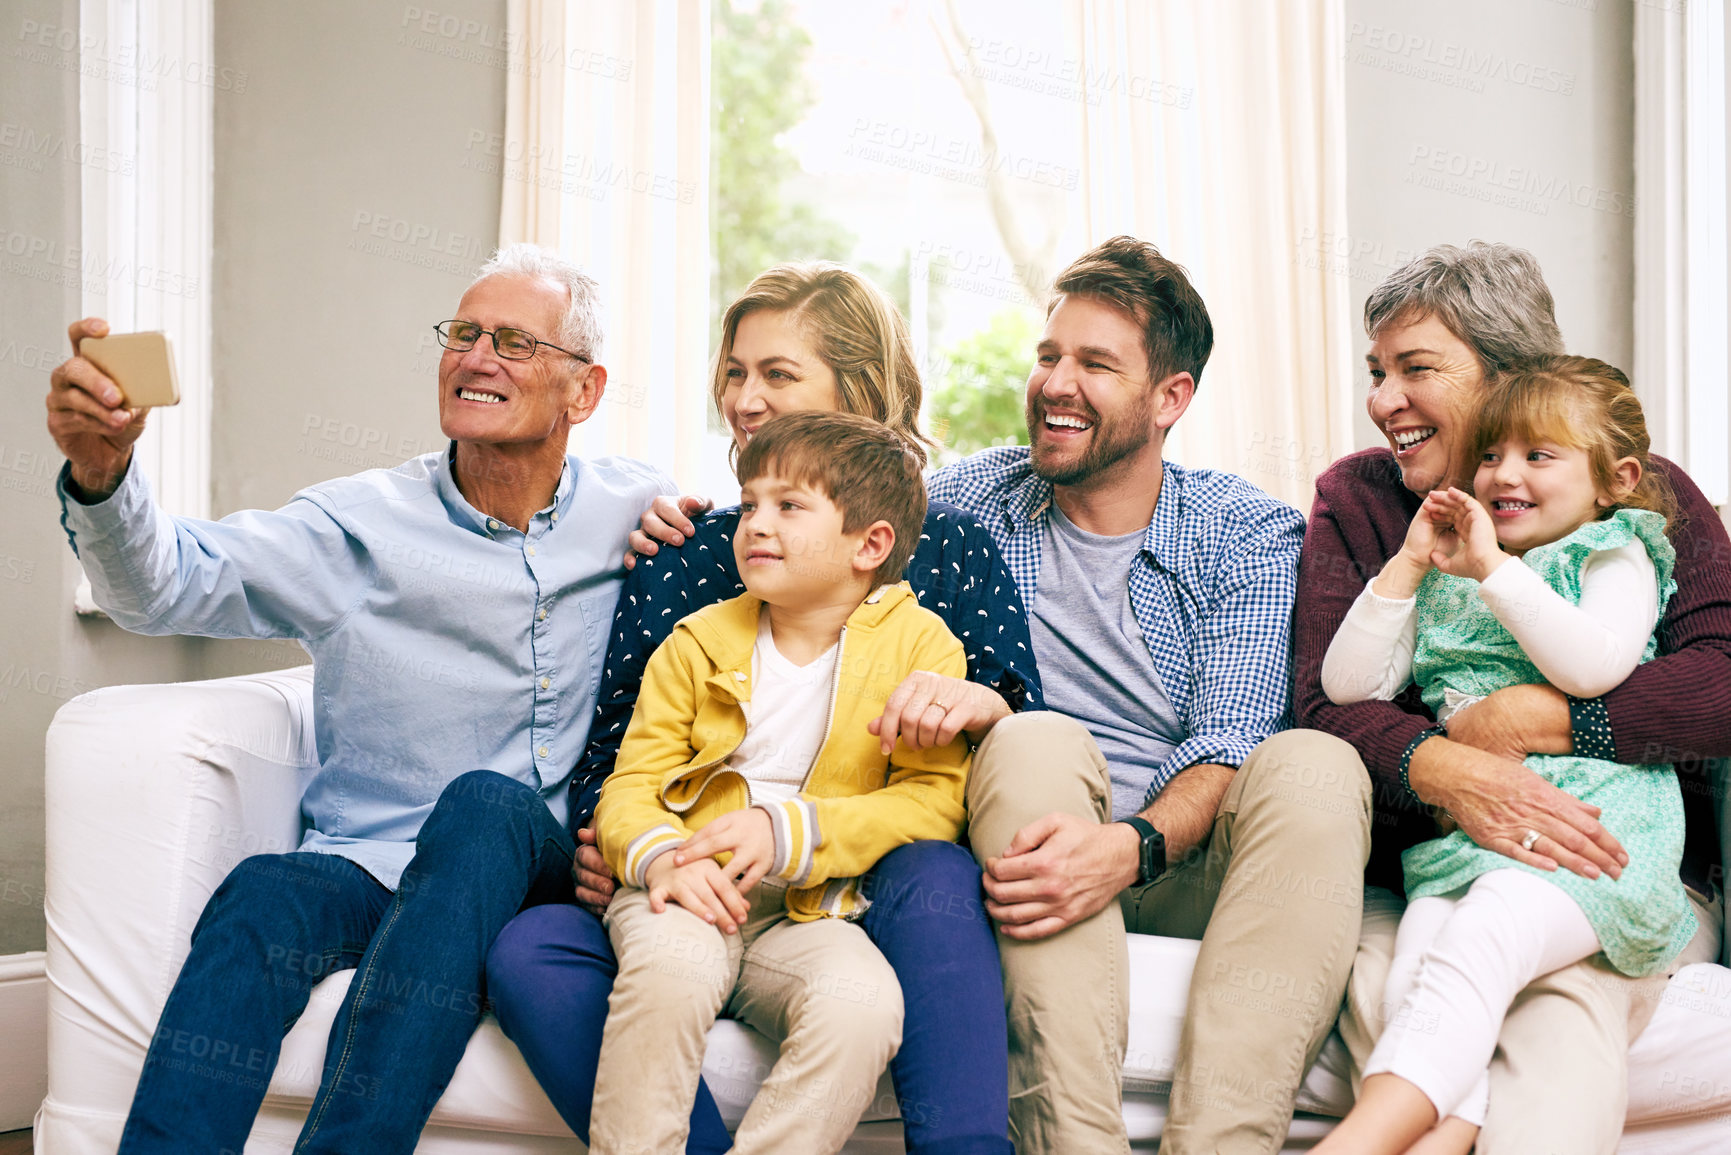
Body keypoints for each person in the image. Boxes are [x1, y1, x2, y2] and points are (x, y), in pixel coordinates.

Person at [44, 244, 674, 1153]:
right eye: (462, 334)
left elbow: (779, 582)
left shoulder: (639, 509)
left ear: (584, 391)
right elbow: (164, 586)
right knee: (267, 889)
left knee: (486, 804)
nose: (477, 357)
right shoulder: (356, 525)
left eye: (512, 341)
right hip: (371, 862)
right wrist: (104, 477)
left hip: (531, 871)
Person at [486, 262, 1037, 1155]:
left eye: (776, 374)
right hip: (683, 867)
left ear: (859, 390)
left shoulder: (945, 570)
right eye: (734, 373)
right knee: (562, 950)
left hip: (852, 881)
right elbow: (621, 762)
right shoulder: (695, 567)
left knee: (897, 935)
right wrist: (630, 847)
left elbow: (1002, 749)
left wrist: (802, 826)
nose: (743, 398)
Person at [911, 234, 1365, 1155]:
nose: (1055, 383)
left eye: (1094, 364)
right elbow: (814, 520)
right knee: (1032, 738)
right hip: (1028, 850)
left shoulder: (1247, 532)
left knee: (1314, 763)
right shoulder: (961, 503)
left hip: (1180, 856)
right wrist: (670, 526)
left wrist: (1130, 845)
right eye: (1047, 356)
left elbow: (1233, 736)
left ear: (1170, 398)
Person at [1292, 242, 1727, 1154]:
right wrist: (1451, 768)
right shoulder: (1363, 500)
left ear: (1510, 372)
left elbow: (1721, 678)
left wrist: (1550, 722)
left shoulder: (1633, 495)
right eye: (1376, 372)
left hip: (1609, 846)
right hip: (1434, 853)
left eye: (1415, 369)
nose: (1380, 402)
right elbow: (1324, 706)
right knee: (1412, 979)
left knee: (1557, 1004)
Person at [588, 410, 971, 1154]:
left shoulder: (922, 646)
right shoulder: (694, 642)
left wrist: (790, 829)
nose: (755, 522)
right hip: (686, 886)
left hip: (808, 910)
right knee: (670, 974)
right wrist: (662, 857)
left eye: (789, 506)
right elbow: (630, 786)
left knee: (862, 1003)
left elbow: (932, 801)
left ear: (871, 544)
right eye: (750, 502)